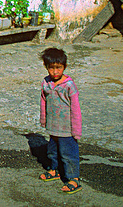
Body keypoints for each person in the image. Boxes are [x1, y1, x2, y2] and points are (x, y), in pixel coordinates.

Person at [38, 47, 82, 194]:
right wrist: (44, 120)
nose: (55, 72)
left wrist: (76, 130)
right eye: (52, 68)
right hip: (53, 126)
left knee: (68, 154)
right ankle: (54, 169)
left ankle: (73, 179)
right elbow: (43, 101)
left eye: (59, 68)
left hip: (67, 128)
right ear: (46, 67)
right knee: (53, 151)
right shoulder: (46, 83)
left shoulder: (69, 85)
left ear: (65, 67)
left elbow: (75, 109)